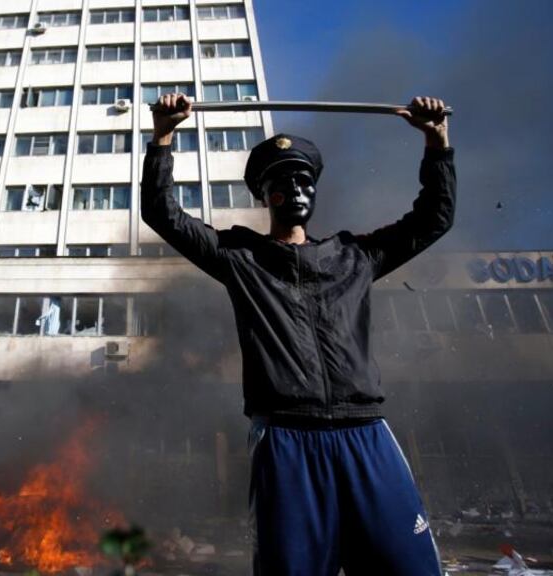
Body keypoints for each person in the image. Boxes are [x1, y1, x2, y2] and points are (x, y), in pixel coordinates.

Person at [142, 94, 455, 575]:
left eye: (305, 178)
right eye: (282, 181)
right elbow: (163, 214)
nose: (297, 188)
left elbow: (434, 217)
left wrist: (437, 143)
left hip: (365, 433)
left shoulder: (355, 256)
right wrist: (164, 135)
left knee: (409, 567)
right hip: (286, 442)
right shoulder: (239, 258)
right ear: (266, 196)